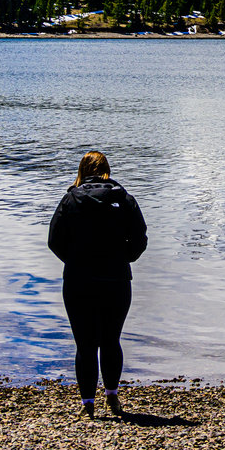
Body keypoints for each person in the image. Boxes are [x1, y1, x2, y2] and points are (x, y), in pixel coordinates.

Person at [47, 150, 148, 418]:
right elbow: (140, 240)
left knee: (85, 344)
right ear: (107, 170)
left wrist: (76, 261)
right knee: (111, 340)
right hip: (116, 279)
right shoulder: (123, 199)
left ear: (82, 170)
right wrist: (122, 259)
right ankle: (112, 398)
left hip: (78, 280)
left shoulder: (71, 199)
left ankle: (88, 404)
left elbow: (54, 241)